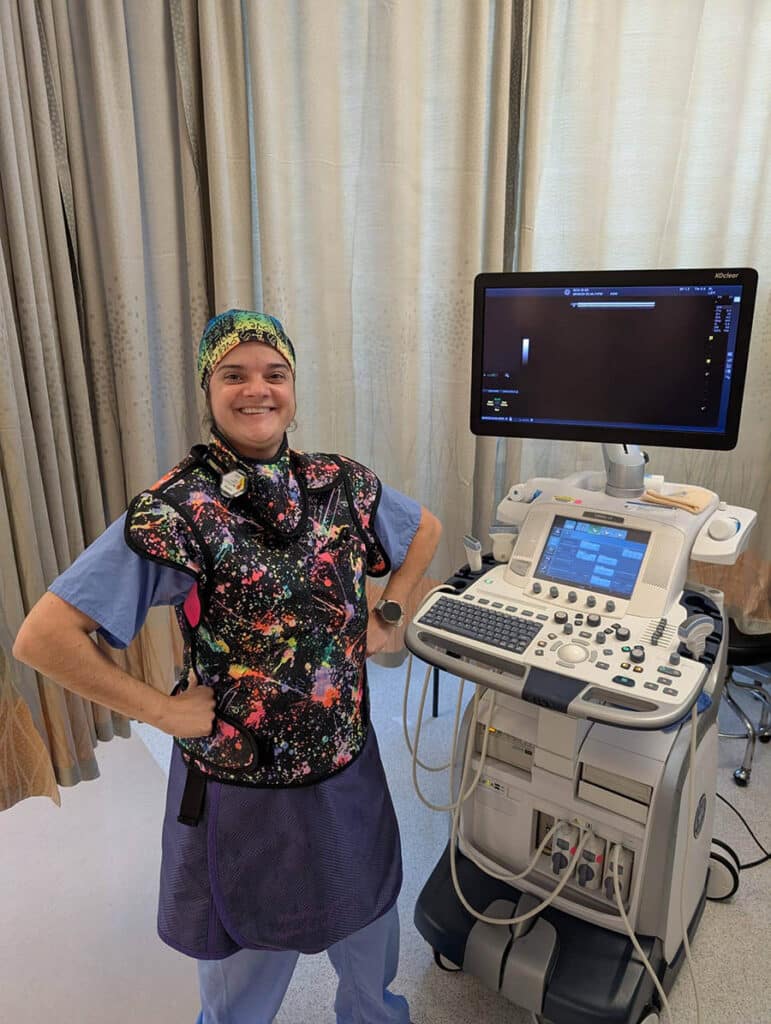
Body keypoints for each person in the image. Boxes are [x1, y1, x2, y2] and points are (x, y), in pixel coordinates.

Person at [13, 309, 442, 1024]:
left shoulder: (339, 483)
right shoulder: (180, 508)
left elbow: (422, 529)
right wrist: (160, 709)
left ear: (293, 387)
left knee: (369, 945)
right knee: (246, 978)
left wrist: (388, 612)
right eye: (233, 374)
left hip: (344, 762)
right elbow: (43, 636)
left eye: (274, 374)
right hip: (242, 784)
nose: (256, 390)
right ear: (208, 389)